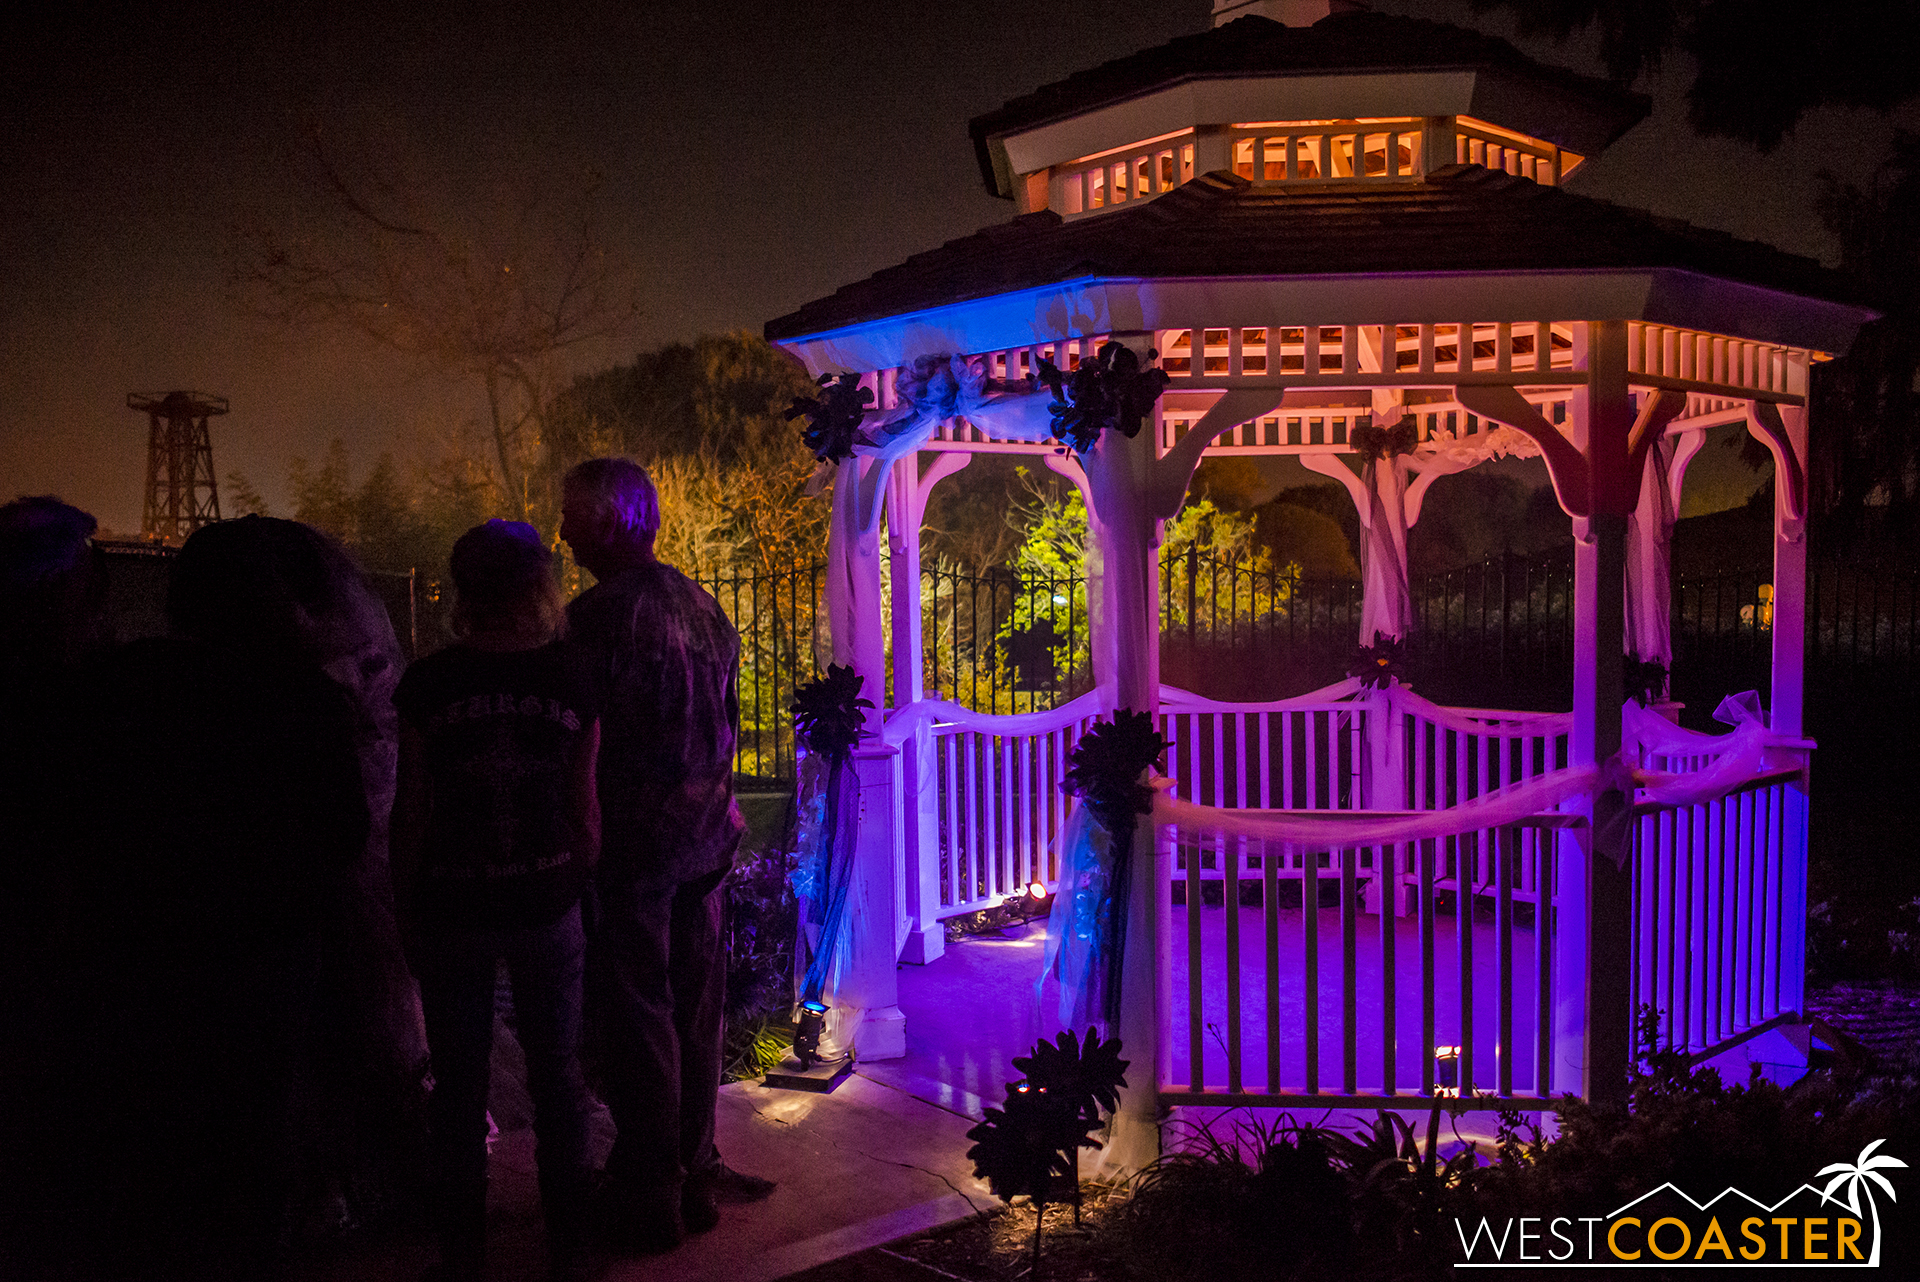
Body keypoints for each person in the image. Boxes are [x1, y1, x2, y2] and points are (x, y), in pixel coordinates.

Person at [560, 457, 773, 1254]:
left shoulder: (595, 620)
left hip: (634, 845)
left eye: (574, 514)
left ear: (612, 520)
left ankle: (650, 1186)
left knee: (638, 1013)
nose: (563, 531)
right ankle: (692, 1167)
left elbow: (580, 743)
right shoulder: (703, 608)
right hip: (703, 841)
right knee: (696, 1009)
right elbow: (723, 724)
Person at [392, 520, 602, 1282]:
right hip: (548, 897)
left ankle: (463, 1255)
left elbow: (411, 807)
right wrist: (579, 877)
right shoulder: (574, 677)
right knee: (558, 1075)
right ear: (539, 584)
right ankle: (572, 1247)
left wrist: (405, 901)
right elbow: (585, 808)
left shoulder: (429, 684)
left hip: (454, 902)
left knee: (458, 1084)